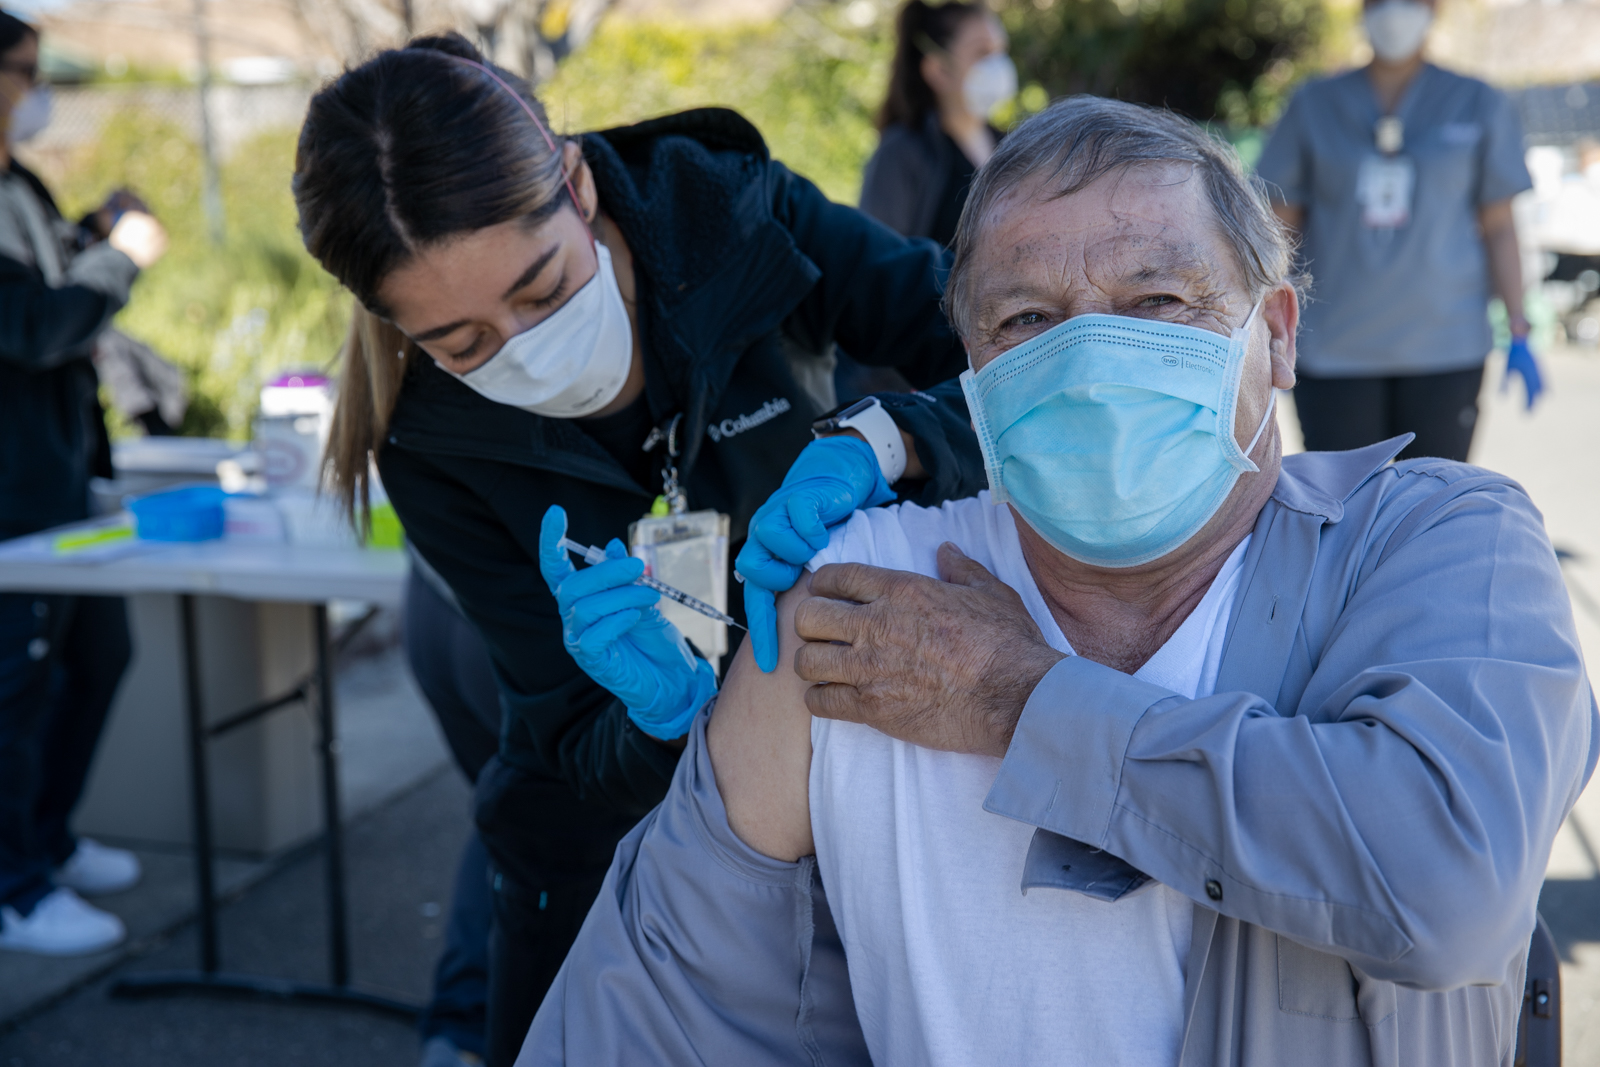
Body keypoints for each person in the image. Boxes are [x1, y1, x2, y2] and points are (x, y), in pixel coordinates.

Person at [519, 97, 1596, 1066]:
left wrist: (1015, 696)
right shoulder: (858, 602)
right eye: (1026, 319)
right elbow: (653, 1003)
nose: (1089, 357)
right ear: (970, 374)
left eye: (1160, 297)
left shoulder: (1438, 540)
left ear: (1274, 333)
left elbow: (1445, 886)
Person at [294, 32, 984, 1066]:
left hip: (838, 775)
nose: (523, 347)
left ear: (575, 184)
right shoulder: (429, 445)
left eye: (539, 290)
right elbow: (573, 748)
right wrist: (656, 718)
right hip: (589, 848)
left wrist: (898, 438)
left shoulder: (735, 218)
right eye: (464, 342)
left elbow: (1017, 359)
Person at [0, 9, 168, 957]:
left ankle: (46, 844)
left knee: (98, 656)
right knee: (14, 693)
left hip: (65, 481)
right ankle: (14, 887)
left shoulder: (17, 179)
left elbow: (47, 277)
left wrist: (91, 228)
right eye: (25, 70)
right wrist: (122, 256)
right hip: (13, 493)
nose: (39, 93)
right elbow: (34, 326)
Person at [1256, 0, 1537, 462]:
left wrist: (1519, 325)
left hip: (1444, 347)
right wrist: (1264, 323)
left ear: (1434, 11)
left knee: (1428, 509)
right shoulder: (1313, 105)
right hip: (1334, 346)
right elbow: (1279, 221)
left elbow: (1500, 226)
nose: (1394, 12)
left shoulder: (1479, 103)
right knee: (1345, 512)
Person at [840, 0, 1014, 400]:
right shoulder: (902, 155)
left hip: (1001, 369)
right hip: (928, 382)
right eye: (982, 54)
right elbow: (877, 272)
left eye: (1001, 51)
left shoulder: (1012, 147)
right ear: (938, 69)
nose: (999, 67)